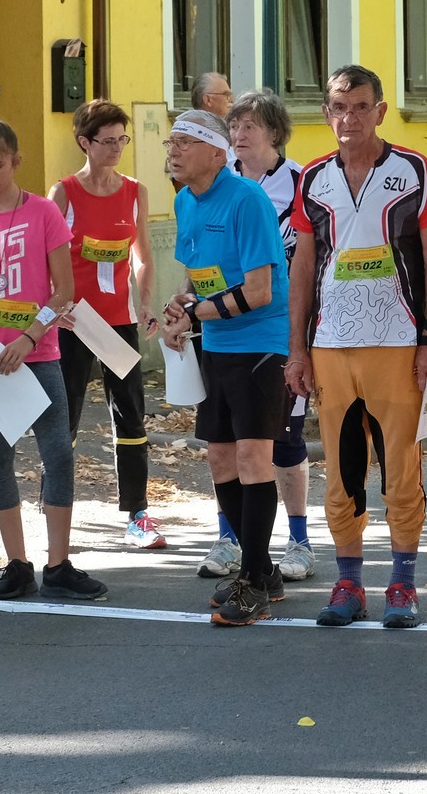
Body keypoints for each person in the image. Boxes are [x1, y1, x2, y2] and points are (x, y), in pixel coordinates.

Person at [286, 66, 427, 630]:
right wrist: (297, 350)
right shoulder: (312, 178)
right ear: (326, 113)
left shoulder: (413, 170)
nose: (349, 118)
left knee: (401, 470)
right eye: (339, 107)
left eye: (361, 107)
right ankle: (349, 583)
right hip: (331, 346)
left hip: (399, 343)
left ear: (380, 111)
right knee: (341, 470)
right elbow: (303, 266)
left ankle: (402, 584)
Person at [0, 118, 106, 602]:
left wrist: (30, 338)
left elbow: (63, 292)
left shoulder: (43, 213)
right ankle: (17, 565)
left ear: (16, 161)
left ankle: (59, 565)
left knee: (58, 454)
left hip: (37, 354)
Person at [160, 109, 290, 626]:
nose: (173, 151)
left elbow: (259, 292)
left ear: (217, 153)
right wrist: (181, 304)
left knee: (255, 459)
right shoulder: (183, 199)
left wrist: (194, 314)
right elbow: (199, 276)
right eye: (170, 142)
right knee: (220, 459)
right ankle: (263, 570)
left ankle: (254, 582)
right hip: (216, 341)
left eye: (184, 142)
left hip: (260, 343)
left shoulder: (248, 198)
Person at [48, 100, 160, 550]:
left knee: (130, 414)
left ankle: (138, 514)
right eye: (108, 141)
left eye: (121, 140)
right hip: (73, 321)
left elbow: (142, 256)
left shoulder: (134, 191)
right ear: (85, 142)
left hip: (117, 321)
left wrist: (145, 303)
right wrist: (53, 307)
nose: (116, 148)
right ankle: (55, 511)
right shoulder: (63, 193)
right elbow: (46, 258)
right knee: (64, 417)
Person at [228, 88, 315, 582]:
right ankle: (231, 539)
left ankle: (299, 540)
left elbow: (315, 257)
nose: (239, 134)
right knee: (230, 442)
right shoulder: (220, 180)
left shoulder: (302, 183)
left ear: (275, 133)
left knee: (284, 439)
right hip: (227, 330)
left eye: (250, 126)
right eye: (234, 126)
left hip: (282, 331)